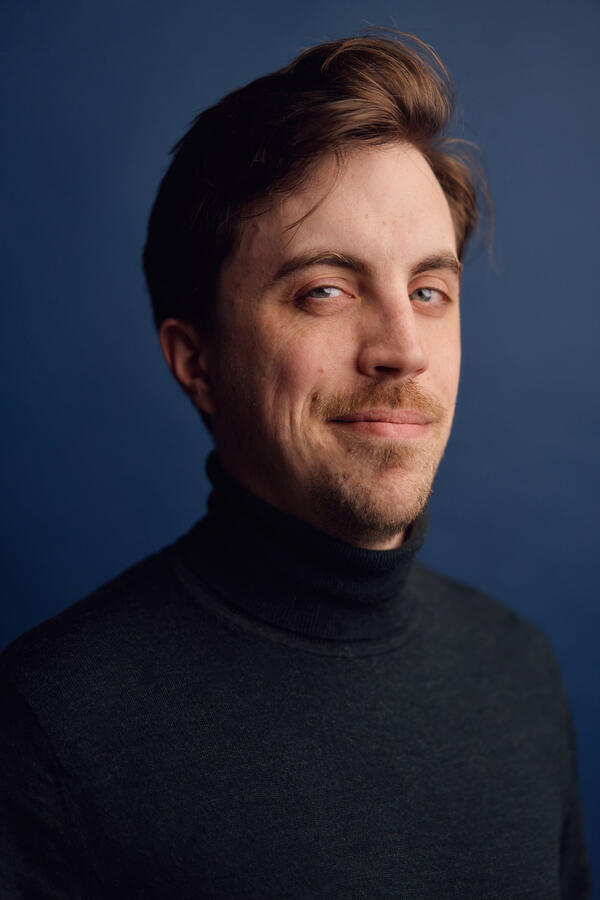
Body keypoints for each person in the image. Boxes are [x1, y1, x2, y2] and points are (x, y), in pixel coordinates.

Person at [0, 33, 589, 899]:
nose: (402, 351)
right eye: (325, 290)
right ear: (196, 361)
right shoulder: (50, 725)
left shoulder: (519, 675)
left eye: (429, 292)